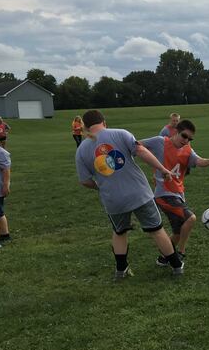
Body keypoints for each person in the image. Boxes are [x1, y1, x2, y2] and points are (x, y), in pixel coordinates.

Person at [75, 109, 184, 278]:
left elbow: (85, 181)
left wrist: (101, 187)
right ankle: (176, 266)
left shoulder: (81, 149)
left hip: (113, 200)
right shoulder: (121, 133)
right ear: (104, 122)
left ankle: (121, 270)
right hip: (139, 193)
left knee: (120, 232)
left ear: (86, 127)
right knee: (156, 230)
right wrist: (162, 169)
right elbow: (141, 151)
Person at [141, 119, 209, 263]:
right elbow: (137, 145)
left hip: (178, 194)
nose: (186, 140)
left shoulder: (187, 149)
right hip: (163, 194)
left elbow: (198, 161)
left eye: (190, 139)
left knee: (178, 232)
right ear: (176, 131)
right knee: (190, 218)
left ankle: (164, 258)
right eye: (184, 136)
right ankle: (181, 252)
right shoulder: (160, 142)